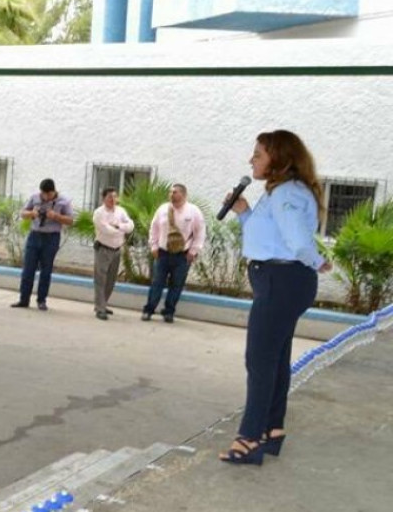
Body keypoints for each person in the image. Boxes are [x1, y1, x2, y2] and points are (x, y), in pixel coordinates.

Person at [219, 130, 331, 466]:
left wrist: (317, 261)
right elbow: (268, 236)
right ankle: (271, 429)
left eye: (258, 154)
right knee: (275, 359)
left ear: (278, 159)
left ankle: (250, 438)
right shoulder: (281, 192)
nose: (251, 160)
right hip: (280, 279)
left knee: (259, 361)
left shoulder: (285, 194)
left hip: (281, 280)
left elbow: (296, 241)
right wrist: (242, 211)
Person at [143, 183, 205, 323]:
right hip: (163, 253)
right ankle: (149, 310)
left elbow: (200, 233)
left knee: (177, 284)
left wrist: (193, 251)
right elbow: (154, 228)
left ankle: (169, 312)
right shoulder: (163, 209)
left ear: (183, 194)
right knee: (157, 283)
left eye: (175, 192)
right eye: (170, 192)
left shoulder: (193, 211)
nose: (172, 194)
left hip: (182, 255)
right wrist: (153, 246)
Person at [12, 179, 74, 312]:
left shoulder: (64, 201)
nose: (45, 197)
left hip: (51, 238)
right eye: (43, 195)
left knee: (46, 270)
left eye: (48, 195)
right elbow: (22, 213)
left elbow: (70, 220)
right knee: (28, 269)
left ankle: (41, 300)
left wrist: (56, 216)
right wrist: (31, 214)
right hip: (35, 235)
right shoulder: (34, 197)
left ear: (54, 192)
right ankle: (24, 299)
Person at [91, 188, 135, 320]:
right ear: (103, 198)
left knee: (111, 279)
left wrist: (118, 226)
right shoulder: (99, 213)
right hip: (103, 249)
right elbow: (106, 230)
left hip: (117, 249)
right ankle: (100, 308)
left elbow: (131, 225)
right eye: (110, 197)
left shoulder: (121, 211)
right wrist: (121, 228)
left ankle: (103, 304)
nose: (113, 200)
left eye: (115, 197)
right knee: (100, 279)